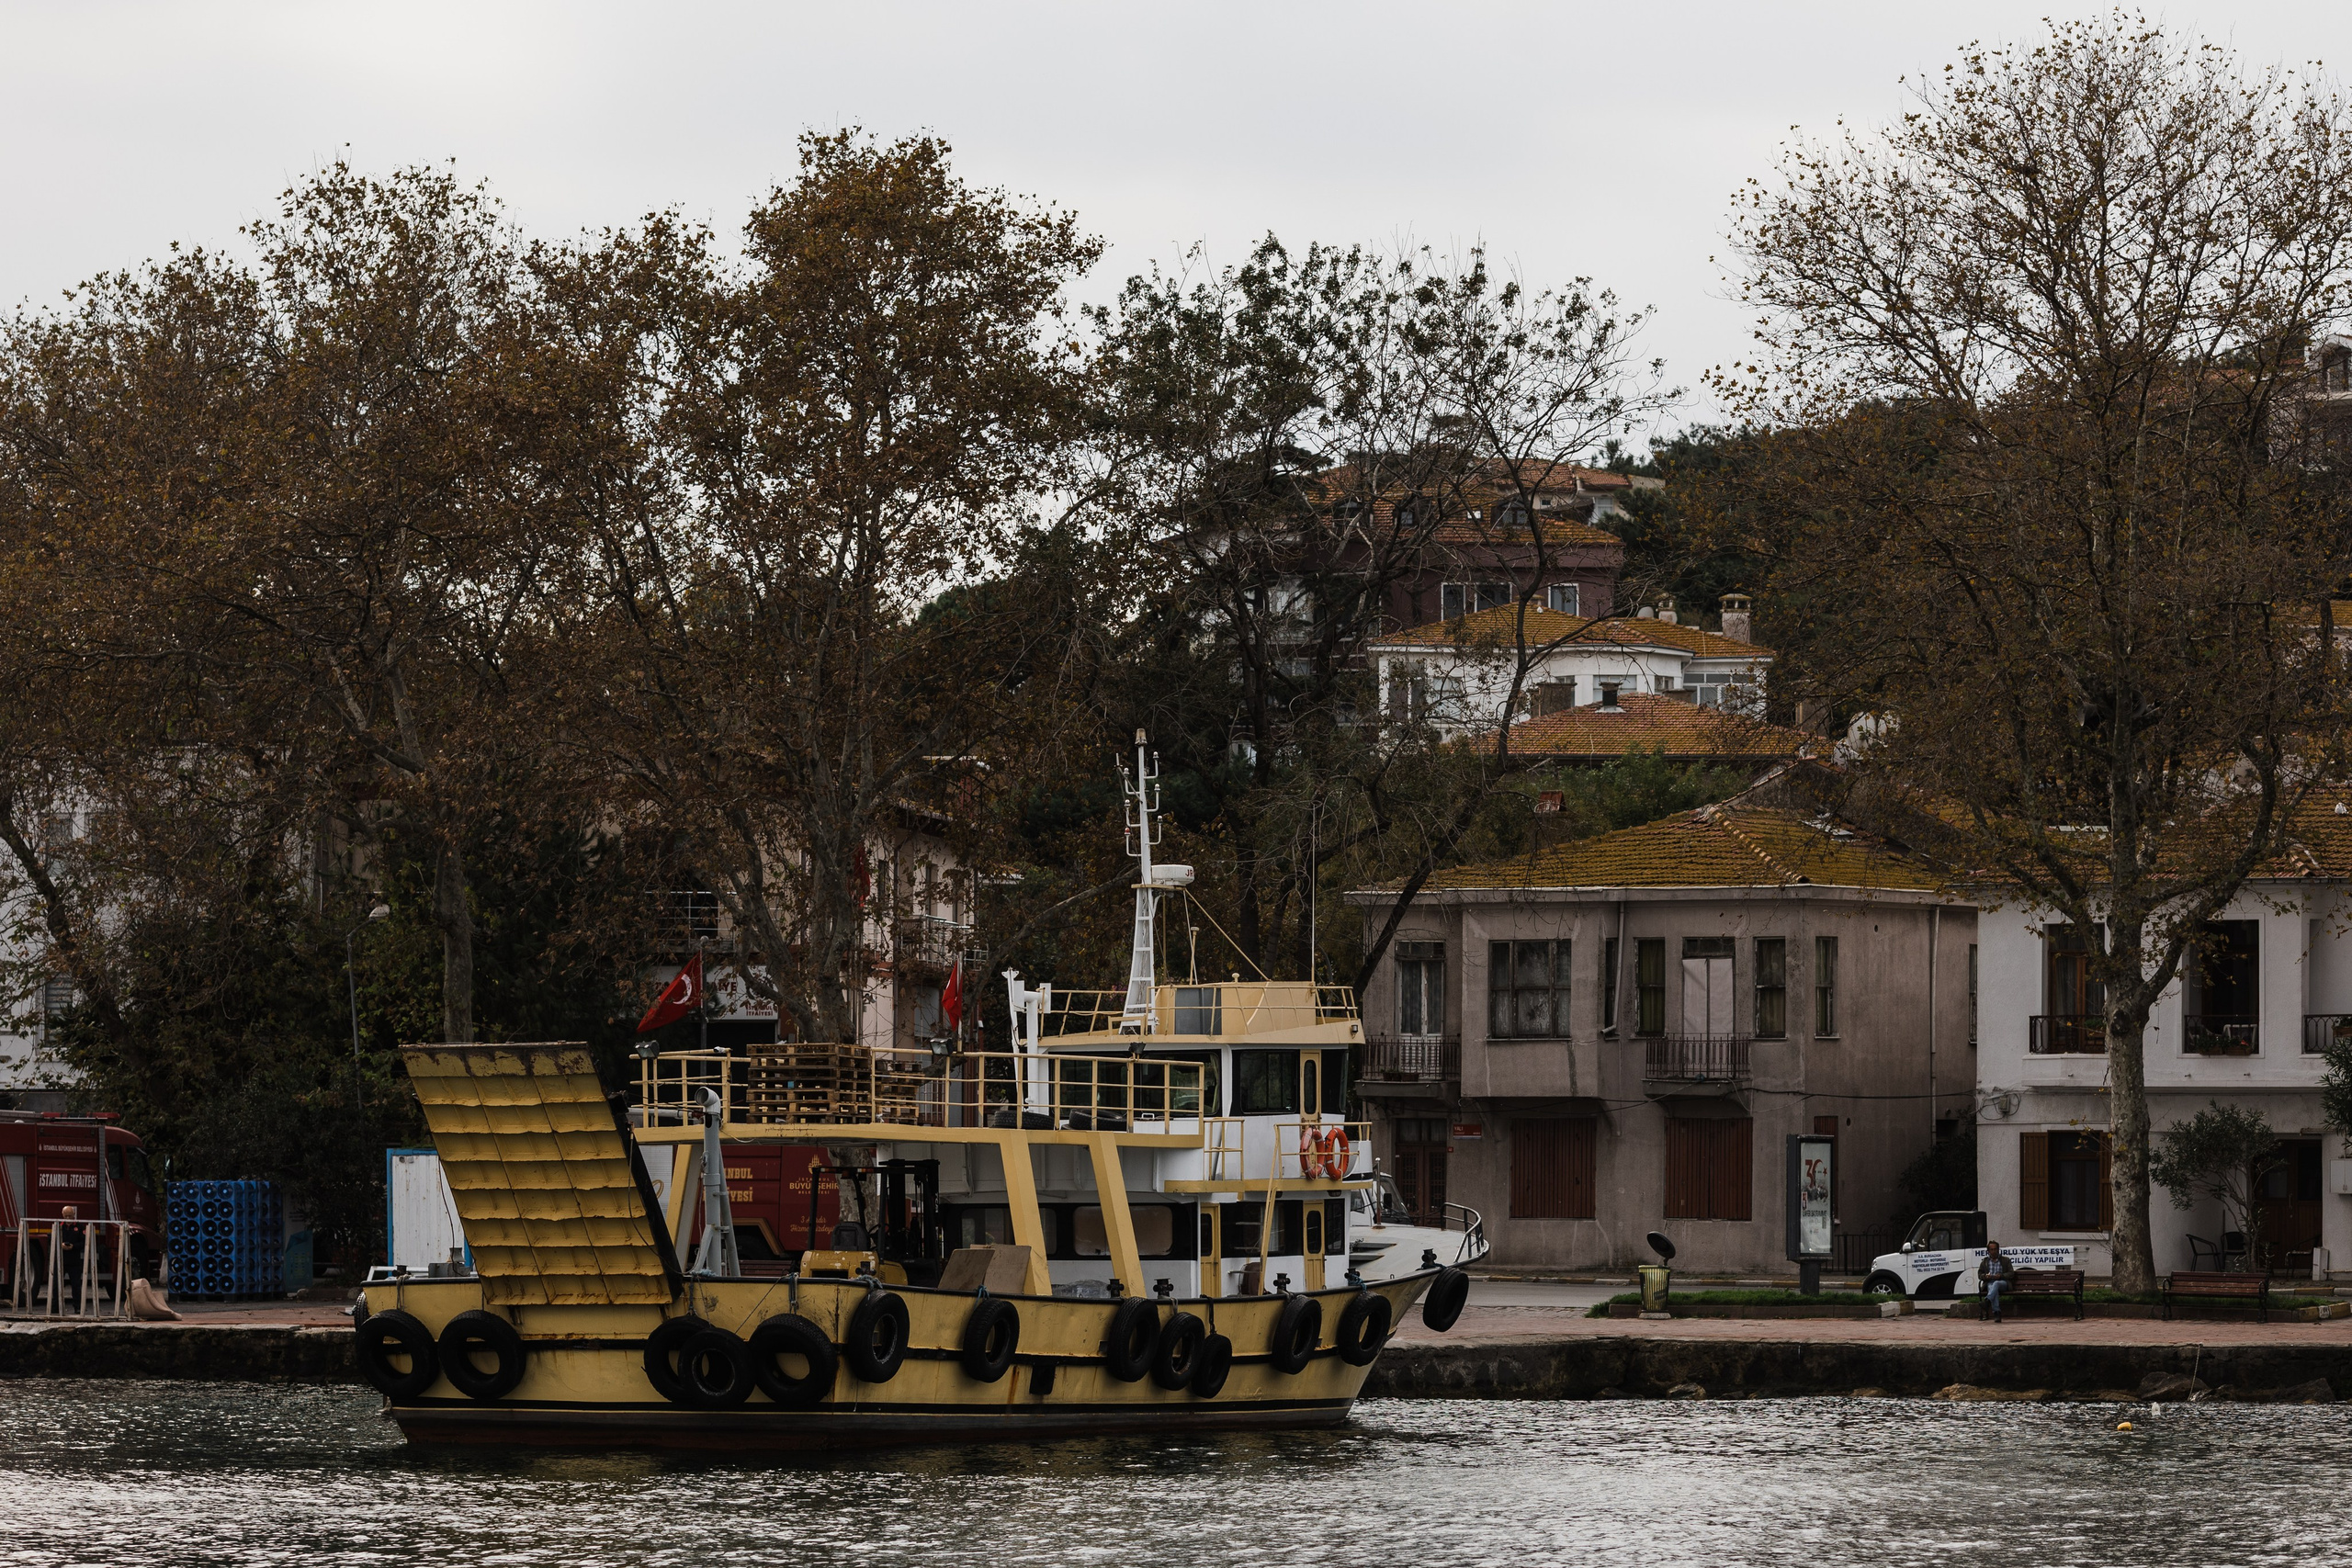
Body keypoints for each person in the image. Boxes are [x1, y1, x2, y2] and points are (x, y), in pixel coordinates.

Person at [1979, 1238, 2018, 1323]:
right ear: (1988, 1251)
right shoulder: (1985, 1261)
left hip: (2003, 1282)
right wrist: (1985, 1276)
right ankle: (1997, 1313)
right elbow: (1980, 1274)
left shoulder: (2005, 1260)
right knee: (1992, 1288)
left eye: (1995, 1249)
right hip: (1990, 1282)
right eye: (1991, 1249)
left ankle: (1987, 1301)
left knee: (1996, 1284)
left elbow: (2011, 1273)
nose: (1994, 1251)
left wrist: (2001, 1276)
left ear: (1998, 1249)